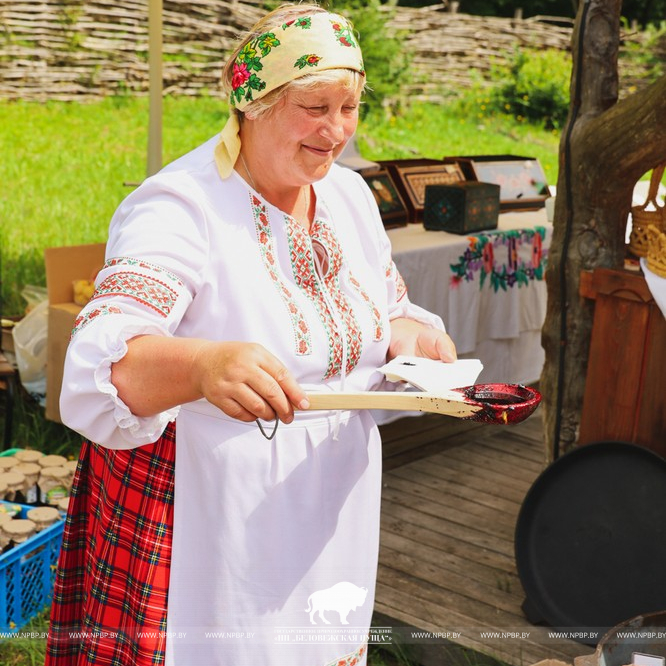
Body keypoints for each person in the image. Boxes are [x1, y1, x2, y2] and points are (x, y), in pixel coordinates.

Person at [45, 5, 457, 666]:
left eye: (350, 106)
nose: (337, 130)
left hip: (331, 509)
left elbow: (389, 310)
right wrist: (204, 363)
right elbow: (104, 363)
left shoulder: (350, 197)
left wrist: (411, 339)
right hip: (218, 526)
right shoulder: (182, 206)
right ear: (253, 103)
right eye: (315, 106)